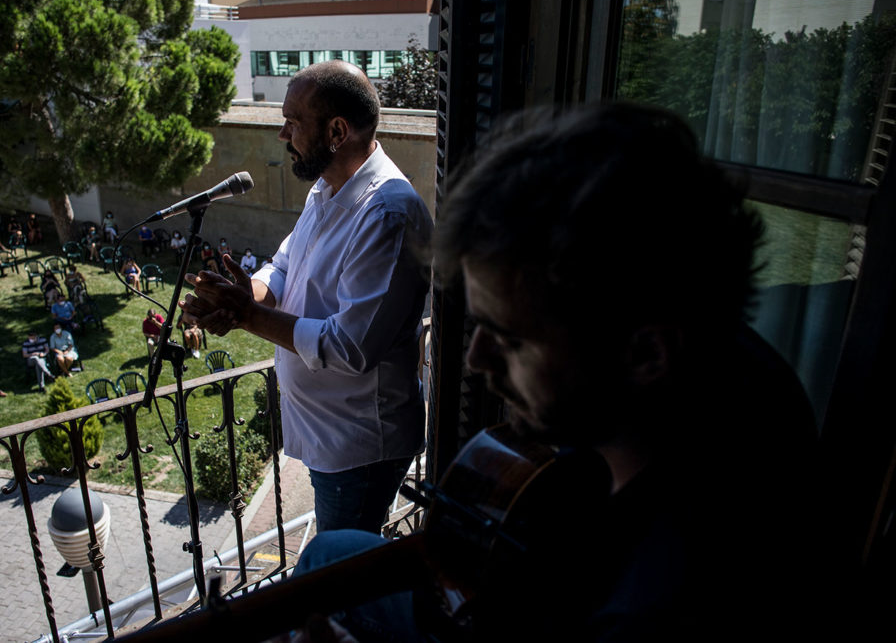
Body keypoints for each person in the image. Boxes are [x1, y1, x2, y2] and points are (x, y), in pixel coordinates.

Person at [286, 104, 823, 641]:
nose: (477, 359)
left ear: (646, 355)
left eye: (512, 338)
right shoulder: (729, 365)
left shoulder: (656, 604)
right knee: (333, 552)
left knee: (324, 568)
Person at [182, 61, 433, 533]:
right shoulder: (328, 187)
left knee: (336, 583)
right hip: (331, 437)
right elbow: (283, 267)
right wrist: (243, 293)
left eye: (293, 122)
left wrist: (246, 316)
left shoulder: (387, 215)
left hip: (359, 446)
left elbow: (350, 347)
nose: (283, 134)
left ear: (337, 131)